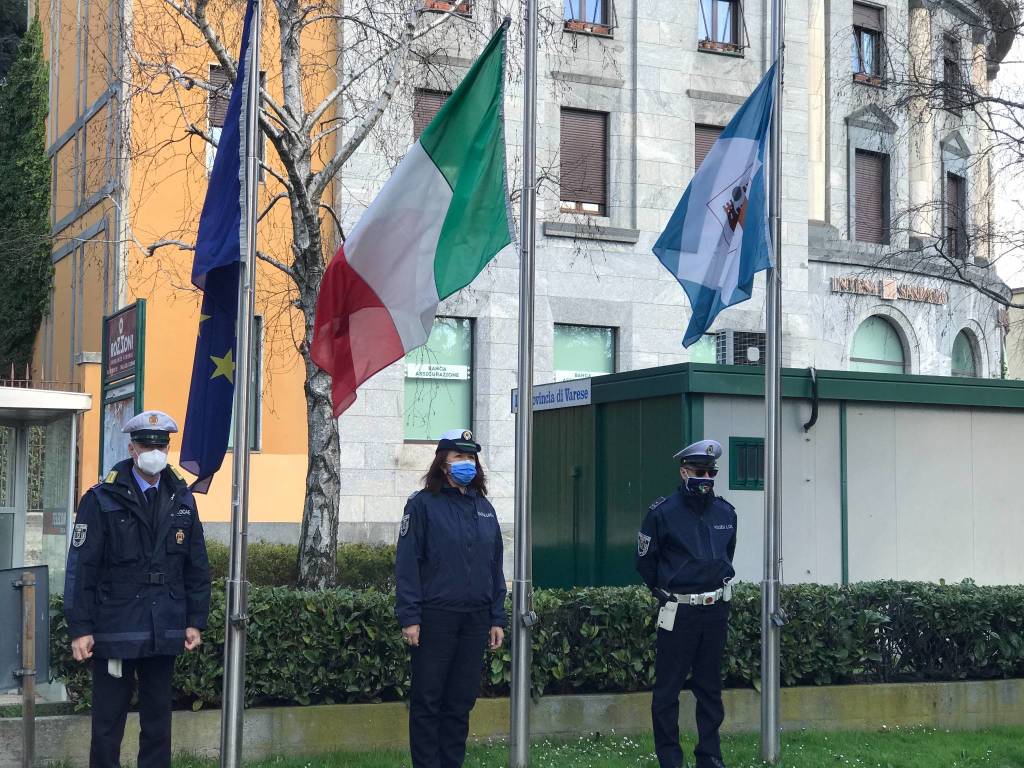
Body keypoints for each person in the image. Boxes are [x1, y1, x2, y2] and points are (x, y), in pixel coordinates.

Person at [64, 410, 211, 768]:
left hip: (165, 626)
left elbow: (196, 565)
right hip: (116, 626)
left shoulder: (181, 498)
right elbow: (82, 569)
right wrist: (80, 628)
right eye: (147, 444)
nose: (154, 451)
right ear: (132, 448)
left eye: (161, 445)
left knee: (158, 722)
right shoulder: (101, 498)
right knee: (107, 723)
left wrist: (195, 621)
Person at [395, 428, 507, 768]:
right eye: (459, 457)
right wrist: (410, 617)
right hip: (435, 617)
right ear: (443, 463)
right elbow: (407, 563)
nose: (467, 463)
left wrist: (496, 617)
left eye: (471, 457)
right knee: (428, 701)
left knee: (460, 702)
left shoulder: (484, 508)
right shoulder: (422, 505)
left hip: (474, 619)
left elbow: (495, 565)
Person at [636, 439, 737, 768]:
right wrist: (664, 592)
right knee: (668, 692)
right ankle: (670, 760)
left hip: (714, 611)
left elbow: (726, 556)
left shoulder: (726, 512)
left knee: (710, 690)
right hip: (678, 611)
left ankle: (710, 757)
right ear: (684, 472)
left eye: (711, 471)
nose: (706, 477)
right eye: (699, 471)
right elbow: (645, 563)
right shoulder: (662, 513)